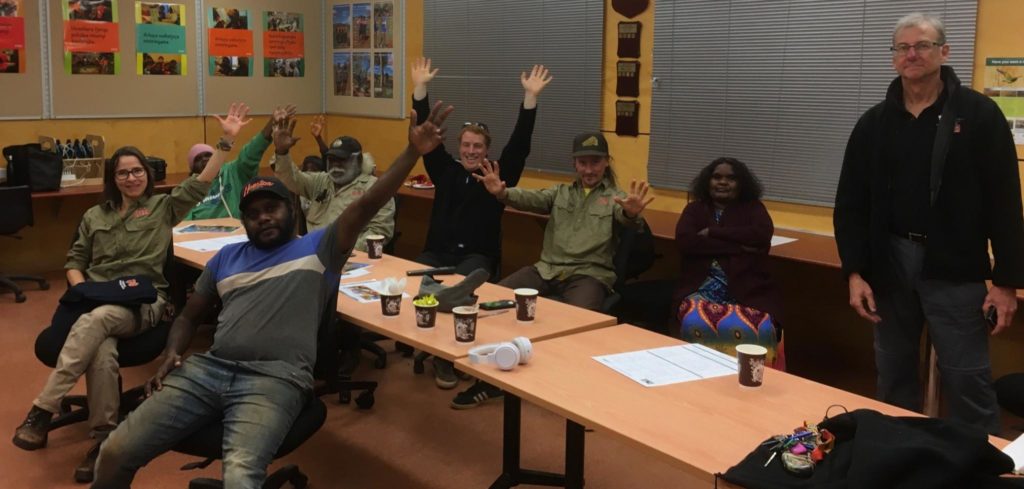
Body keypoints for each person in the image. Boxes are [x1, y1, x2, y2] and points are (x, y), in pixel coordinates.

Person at [89, 101, 453, 489]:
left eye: (272, 208)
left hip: (275, 379)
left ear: (290, 211)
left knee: (241, 477)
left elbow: (367, 204)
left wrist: (413, 152)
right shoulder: (226, 257)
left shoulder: (320, 248)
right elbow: (189, 315)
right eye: (253, 212)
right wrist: (173, 352)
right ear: (243, 220)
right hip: (208, 370)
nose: (263, 217)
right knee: (114, 452)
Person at [11, 103, 248, 482]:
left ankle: (43, 408)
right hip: (98, 298)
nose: (132, 177)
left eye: (137, 170)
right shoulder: (95, 216)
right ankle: (104, 439)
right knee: (101, 349)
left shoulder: (163, 207)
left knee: (98, 319)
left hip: (144, 301)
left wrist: (226, 141)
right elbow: (74, 260)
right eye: (123, 173)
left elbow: (202, 181)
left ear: (147, 175)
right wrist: (82, 289)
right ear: (114, 179)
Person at [833, 12, 1024, 434]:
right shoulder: (874, 124)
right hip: (890, 262)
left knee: (967, 377)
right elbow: (850, 205)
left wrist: (1007, 281)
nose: (911, 54)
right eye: (902, 47)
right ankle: (895, 456)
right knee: (894, 373)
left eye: (921, 45)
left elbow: (1005, 203)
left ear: (944, 51)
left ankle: (983, 467)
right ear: (894, 58)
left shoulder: (979, 115)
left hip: (954, 264)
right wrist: (855, 271)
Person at [457, 131, 653, 409]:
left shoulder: (615, 198)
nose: (588, 169)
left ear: (606, 162)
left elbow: (627, 217)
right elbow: (528, 198)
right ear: (574, 164)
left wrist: (632, 213)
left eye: (595, 162)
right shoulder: (559, 192)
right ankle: (497, 373)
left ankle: (567, 386)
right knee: (493, 298)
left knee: (577, 323)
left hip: (588, 275)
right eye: (582, 163)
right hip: (547, 269)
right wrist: (502, 193)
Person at [409, 57, 552, 390]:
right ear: (458, 148)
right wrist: (420, 90)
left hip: (475, 259)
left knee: (460, 289)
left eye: (478, 146)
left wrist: (530, 100)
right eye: (466, 145)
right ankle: (427, 344)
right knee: (414, 279)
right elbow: (426, 137)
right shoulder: (446, 170)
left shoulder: (497, 176)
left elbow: (520, 145)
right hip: (437, 254)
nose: (471, 151)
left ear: (487, 150)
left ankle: (445, 361)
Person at [674, 157, 784, 370]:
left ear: (741, 183)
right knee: (695, 321)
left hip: (748, 289)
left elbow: (761, 236)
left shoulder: (754, 209)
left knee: (761, 325)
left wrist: (712, 233)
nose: (723, 182)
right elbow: (686, 242)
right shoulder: (695, 210)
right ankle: (697, 374)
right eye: (717, 177)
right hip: (701, 287)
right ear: (708, 181)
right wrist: (739, 247)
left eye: (730, 178)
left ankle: (750, 380)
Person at [273, 126, 392, 252]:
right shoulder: (321, 181)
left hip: (350, 256)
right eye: (332, 159)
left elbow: (379, 232)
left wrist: (339, 250)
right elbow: (290, 179)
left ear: (358, 160)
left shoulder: (375, 189)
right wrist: (282, 152)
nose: (335, 165)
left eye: (342, 160)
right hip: (311, 252)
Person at [185, 104, 296, 220]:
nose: (204, 159)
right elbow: (183, 223)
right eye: (198, 158)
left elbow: (250, 154)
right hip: (204, 237)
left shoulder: (233, 171)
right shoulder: (189, 189)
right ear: (192, 168)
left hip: (239, 234)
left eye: (208, 155)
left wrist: (271, 125)